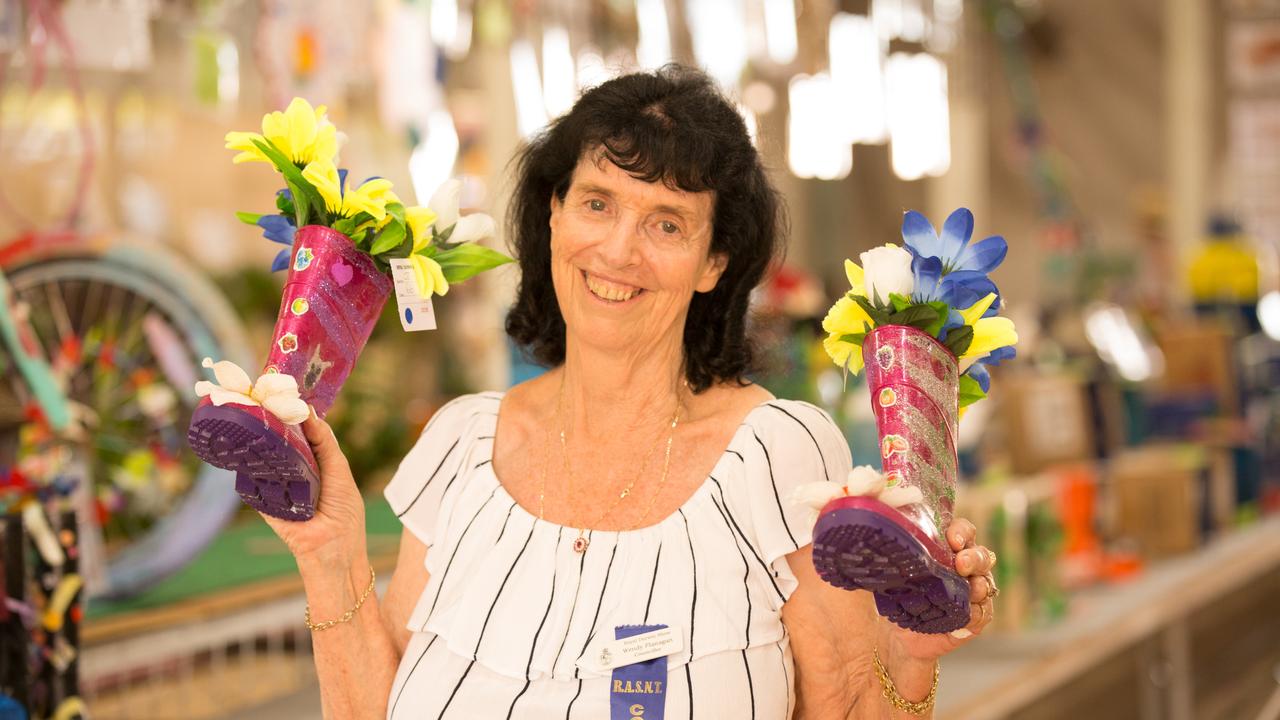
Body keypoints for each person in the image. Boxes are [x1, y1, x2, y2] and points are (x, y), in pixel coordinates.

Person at [263, 65, 998, 719]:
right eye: (598, 203)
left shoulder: (780, 456)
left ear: (714, 262)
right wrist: (328, 554)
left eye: (667, 223)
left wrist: (907, 657)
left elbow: (848, 708)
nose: (618, 250)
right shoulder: (460, 443)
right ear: (553, 213)